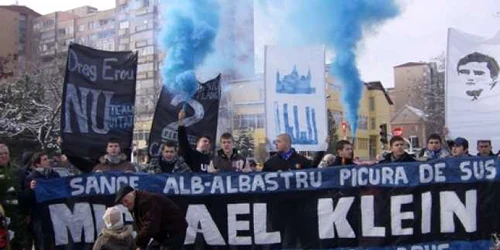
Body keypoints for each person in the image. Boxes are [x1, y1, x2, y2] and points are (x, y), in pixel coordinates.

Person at [115, 186, 187, 250]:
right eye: (122, 203)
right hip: (162, 232)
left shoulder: (147, 201)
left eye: (126, 201)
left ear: (133, 193)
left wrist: (136, 245)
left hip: (173, 231)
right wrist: (141, 246)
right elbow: (144, 227)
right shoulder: (135, 204)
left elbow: (150, 227)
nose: (125, 204)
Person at [25, 151, 60, 250]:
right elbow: (26, 198)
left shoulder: (55, 175)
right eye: (44, 159)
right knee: (42, 243)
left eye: (47, 158)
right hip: (39, 217)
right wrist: (30, 189)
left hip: (55, 215)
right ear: (37, 164)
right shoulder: (31, 178)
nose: (48, 161)